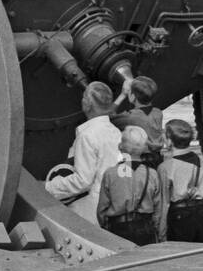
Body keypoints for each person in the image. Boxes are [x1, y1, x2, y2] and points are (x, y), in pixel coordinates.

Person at [44, 81, 121, 223]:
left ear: (87, 104)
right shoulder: (115, 132)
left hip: (91, 210)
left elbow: (83, 181)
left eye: (84, 97)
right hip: (113, 203)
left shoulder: (87, 136)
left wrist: (47, 188)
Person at [96, 125, 162, 244]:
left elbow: (102, 210)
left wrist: (106, 227)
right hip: (145, 228)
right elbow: (158, 209)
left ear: (121, 147)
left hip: (118, 228)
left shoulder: (110, 174)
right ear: (143, 148)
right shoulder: (152, 174)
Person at [157, 119, 203, 243]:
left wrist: (161, 231)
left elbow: (164, 203)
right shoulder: (201, 161)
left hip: (180, 217)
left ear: (169, 140)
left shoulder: (166, 167)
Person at [110, 76, 166, 164]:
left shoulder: (130, 117)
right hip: (157, 159)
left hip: (140, 161)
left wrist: (123, 94)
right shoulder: (158, 113)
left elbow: (107, 117)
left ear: (132, 97)